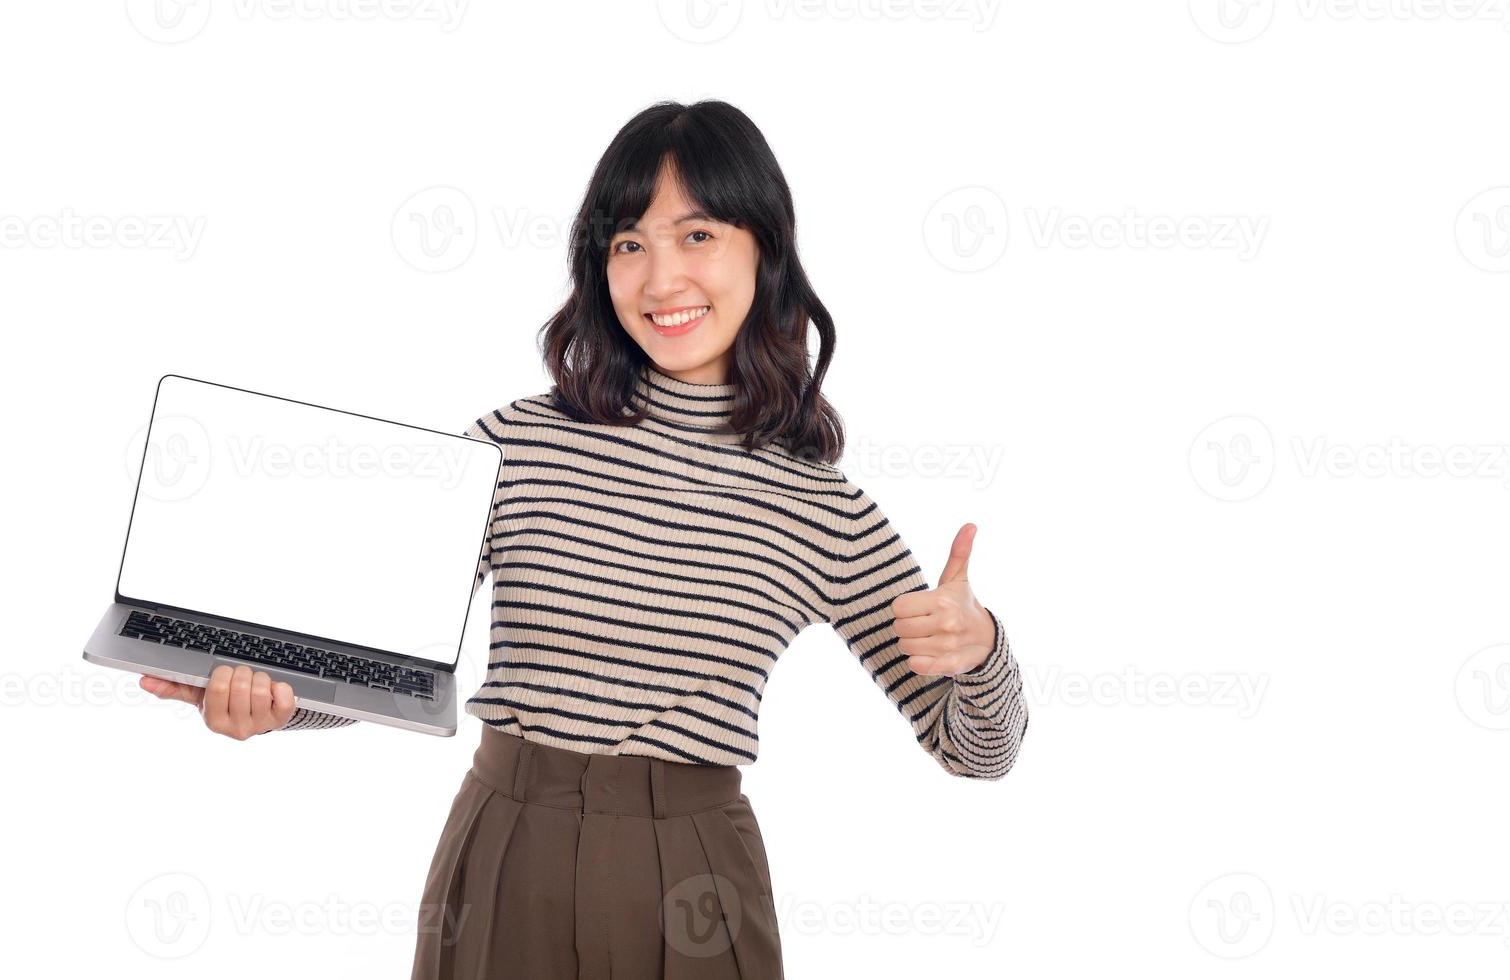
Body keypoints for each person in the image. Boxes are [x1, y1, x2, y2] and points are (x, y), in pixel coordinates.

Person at [142, 99, 1028, 980]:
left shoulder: (817, 504)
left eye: (697, 235)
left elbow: (978, 751)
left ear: (765, 246)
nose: (660, 279)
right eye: (628, 244)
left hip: (696, 885)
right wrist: (282, 700)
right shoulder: (510, 446)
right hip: (503, 858)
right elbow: (396, 674)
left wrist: (981, 649)